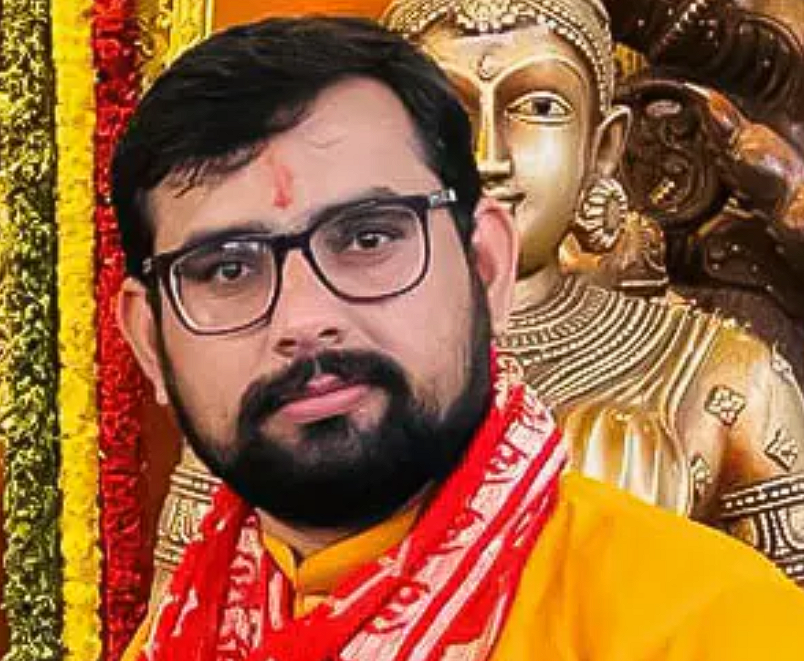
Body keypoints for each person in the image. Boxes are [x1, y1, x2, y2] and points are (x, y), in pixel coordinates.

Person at [112, 16, 804, 661]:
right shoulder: (181, 628)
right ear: (150, 340)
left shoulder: (713, 625)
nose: (303, 319)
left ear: (486, 267)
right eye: (228, 268)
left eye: (368, 238)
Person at [382, 0, 804, 581]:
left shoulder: (718, 374)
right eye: (447, 111)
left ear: (603, 147)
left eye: (539, 107)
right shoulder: (309, 365)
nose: (487, 158)